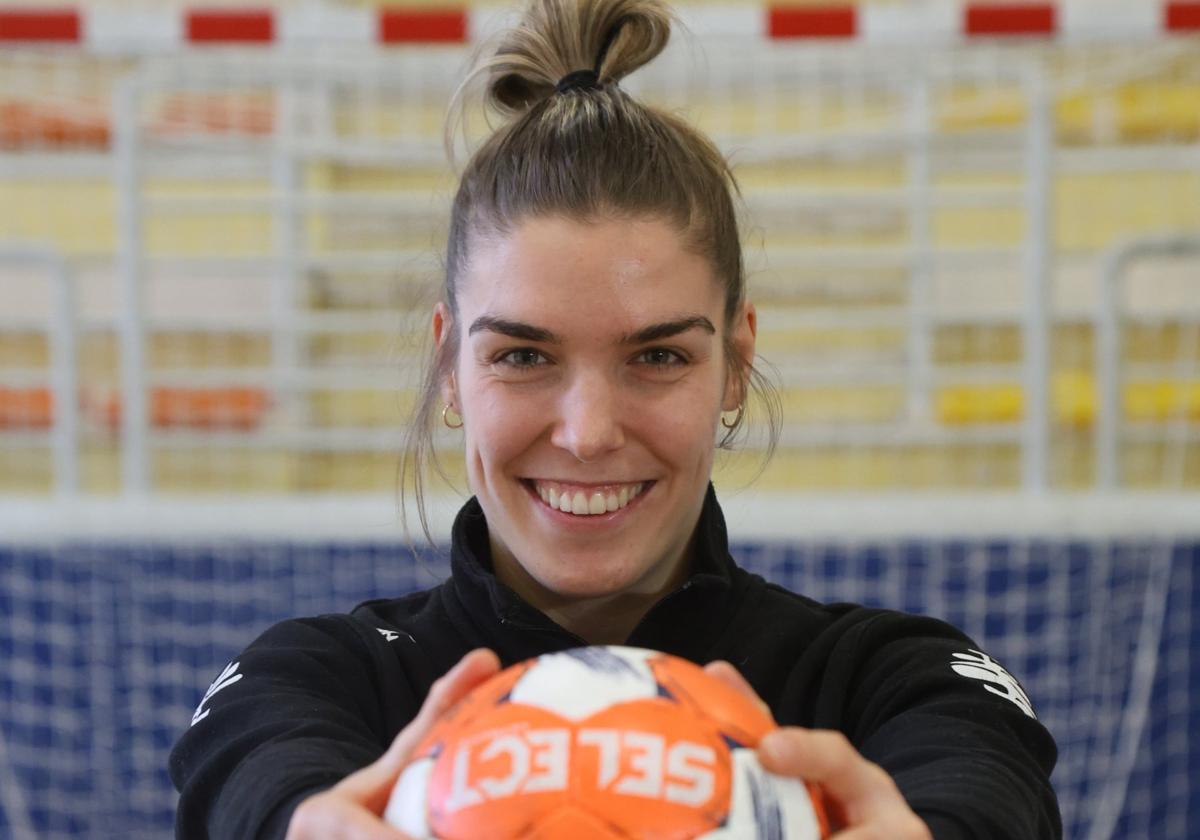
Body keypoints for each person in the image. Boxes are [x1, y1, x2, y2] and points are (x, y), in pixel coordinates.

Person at [169, 0, 1061, 837]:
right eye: (522, 356)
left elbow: (981, 768)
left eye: (659, 356)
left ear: (734, 366)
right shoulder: (327, 682)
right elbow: (255, 761)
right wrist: (303, 818)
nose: (588, 432)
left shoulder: (876, 680)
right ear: (449, 366)